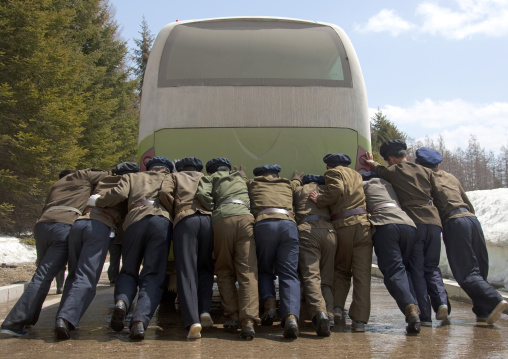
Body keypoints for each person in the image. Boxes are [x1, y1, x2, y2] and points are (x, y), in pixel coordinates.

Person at [1, 169, 108, 337]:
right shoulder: (82, 175)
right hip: (64, 226)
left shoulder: (57, 185)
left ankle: (27, 319)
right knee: (45, 277)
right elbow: (108, 174)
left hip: (42, 226)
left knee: (41, 274)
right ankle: (14, 323)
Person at [415, 147, 508, 325]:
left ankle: (494, 299)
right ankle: (483, 311)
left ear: (420, 164)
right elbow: (467, 201)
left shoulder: (426, 179)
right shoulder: (450, 177)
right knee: (479, 269)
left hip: (454, 222)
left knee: (465, 272)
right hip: (472, 219)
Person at [364, 140, 449, 326]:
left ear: (393, 159)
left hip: (414, 222)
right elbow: (440, 195)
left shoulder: (394, 170)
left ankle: (424, 315)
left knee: (415, 269)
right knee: (432, 266)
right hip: (434, 222)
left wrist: (373, 163)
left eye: (388, 160)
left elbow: (381, 171)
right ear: (407, 156)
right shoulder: (427, 171)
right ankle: (442, 302)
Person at [89, 156, 174, 340]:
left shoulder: (133, 177)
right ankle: (140, 322)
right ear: (167, 169)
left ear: (149, 168)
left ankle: (122, 302)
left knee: (128, 270)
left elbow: (118, 195)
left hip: (134, 220)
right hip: (160, 221)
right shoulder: (170, 179)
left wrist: (97, 202)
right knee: (152, 273)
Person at [54, 162, 139, 340]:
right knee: (87, 276)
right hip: (99, 226)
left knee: (74, 274)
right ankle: (66, 319)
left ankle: (62, 317)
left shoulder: (102, 181)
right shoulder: (128, 183)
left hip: (79, 223)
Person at [196, 158, 260, 340]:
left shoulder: (209, 178)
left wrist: (213, 207)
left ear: (210, 171)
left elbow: (202, 195)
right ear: (230, 168)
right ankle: (248, 322)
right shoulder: (240, 178)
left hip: (222, 220)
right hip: (245, 218)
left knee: (224, 269)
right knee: (247, 271)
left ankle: (232, 316)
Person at [309, 154, 372, 333]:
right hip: (364, 226)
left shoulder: (333, 173)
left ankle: (336, 309)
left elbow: (336, 190)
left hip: (344, 225)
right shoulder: (356, 175)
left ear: (329, 167)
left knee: (341, 270)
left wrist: (319, 199)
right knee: (362, 275)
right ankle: (359, 321)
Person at [241, 164, 302, 339]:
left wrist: (242, 175)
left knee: (265, 269)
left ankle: (269, 305)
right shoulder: (287, 184)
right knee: (289, 273)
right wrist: (296, 178)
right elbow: (297, 185)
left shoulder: (253, 183)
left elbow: (244, 182)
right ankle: (290, 317)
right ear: (276, 175)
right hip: (288, 225)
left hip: (264, 225)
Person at [158, 157, 214, 339]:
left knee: (187, 270)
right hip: (208, 220)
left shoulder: (174, 177)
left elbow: (164, 193)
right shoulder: (206, 178)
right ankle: (205, 310)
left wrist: (175, 210)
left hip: (185, 220)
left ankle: (192, 321)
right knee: (205, 267)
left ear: (180, 168)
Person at [361, 171, 420, 334]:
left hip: (385, 225)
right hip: (408, 225)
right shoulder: (389, 185)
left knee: (394, 271)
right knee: (405, 270)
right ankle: (415, 307)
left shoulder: (363, 185)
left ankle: (410, 308)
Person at [294, 174, 336, 337]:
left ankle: (320, 314)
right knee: (326, 278)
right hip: (329, 231)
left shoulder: (298, 190)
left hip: (308, 230)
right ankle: (330, 314)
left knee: (311, 276)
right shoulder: (325, 190)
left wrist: (296, 180)